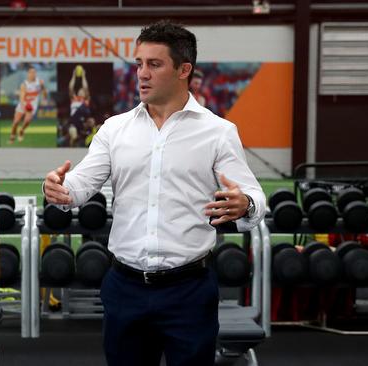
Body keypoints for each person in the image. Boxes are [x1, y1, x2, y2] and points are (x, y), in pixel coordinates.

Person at [43, 20, 265, 366]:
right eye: (138, 64)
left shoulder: (218, 132)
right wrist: (59, 188)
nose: (142, 74)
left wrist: (246, 203)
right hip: (124, 287)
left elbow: (254, 197)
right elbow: (81, 185)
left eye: (154, 64)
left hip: (189, 291)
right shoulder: (115, 129)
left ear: (183, 70)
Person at [8, 66, 47, 143]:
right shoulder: (24, 84)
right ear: (28, 74)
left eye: (34, 72)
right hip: (24, 104)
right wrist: (24, 105)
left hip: (32, 105)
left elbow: (44, 93)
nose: (33, 74)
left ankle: (21, 131)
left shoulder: (39, 82)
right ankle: (12, 136)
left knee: (27, 121)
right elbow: (22, 98)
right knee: (16, 122)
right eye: (31, 72)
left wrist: (43, 90)